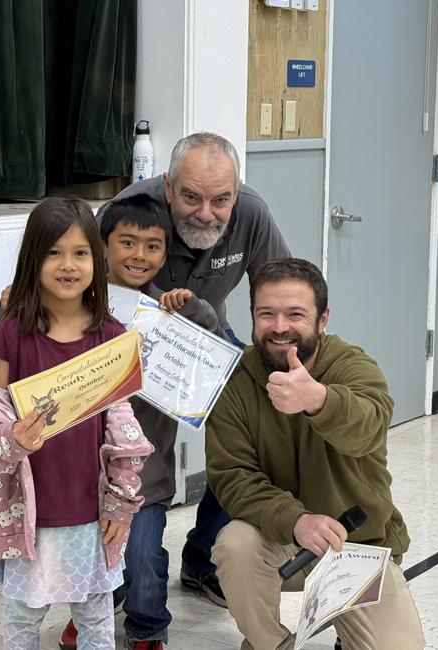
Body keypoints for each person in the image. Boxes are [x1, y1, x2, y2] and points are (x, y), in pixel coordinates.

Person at [100, 132, 291, 607]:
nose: (205, 213)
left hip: (209, 335)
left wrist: (288, 370)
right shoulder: (128, 211)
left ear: (236, 191)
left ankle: (204, 559)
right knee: (140, 458)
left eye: (220, 199)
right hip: (139, 343)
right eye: (191, 197)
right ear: (167, 187)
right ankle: (121, 571)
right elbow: (81, 281)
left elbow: (284, 295)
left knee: (262, 430)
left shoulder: (252, 212)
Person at [205, 258, 425, 650]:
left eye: (295, 314)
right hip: (279, 540)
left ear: (323, 319)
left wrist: (319, 401)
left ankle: (348, 628)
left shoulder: (353, 367)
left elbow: (369, 428)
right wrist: (296, 520)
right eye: (266, 313)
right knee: (234, 543)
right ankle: (270, 644)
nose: (279, 326)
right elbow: (232, 476)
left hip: (356, 546)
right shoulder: (235, 382)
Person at [0, 197, 154, 650]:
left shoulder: (111, 337)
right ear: (33, 258)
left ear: (97, 258)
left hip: (90, 512)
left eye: (80, 252)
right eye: (54, 252)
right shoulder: (10, 332)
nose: (68, 265)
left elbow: (122, 428)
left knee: (95, 617)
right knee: (23, 617)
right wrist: (10, 437)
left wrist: (121, 502)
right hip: (34, 513)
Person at [57, 193, 222, 650]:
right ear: (101, 246)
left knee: (144, 554)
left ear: (166, 253)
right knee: (91, 556)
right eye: (126, 243)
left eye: (153, 246)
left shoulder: (166, 312)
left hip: (144, 474)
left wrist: (193, 308)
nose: (139, 255)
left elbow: (207, 342)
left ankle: (147, 628)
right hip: (83, 470)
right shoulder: (76, 307)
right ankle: (94, 610)